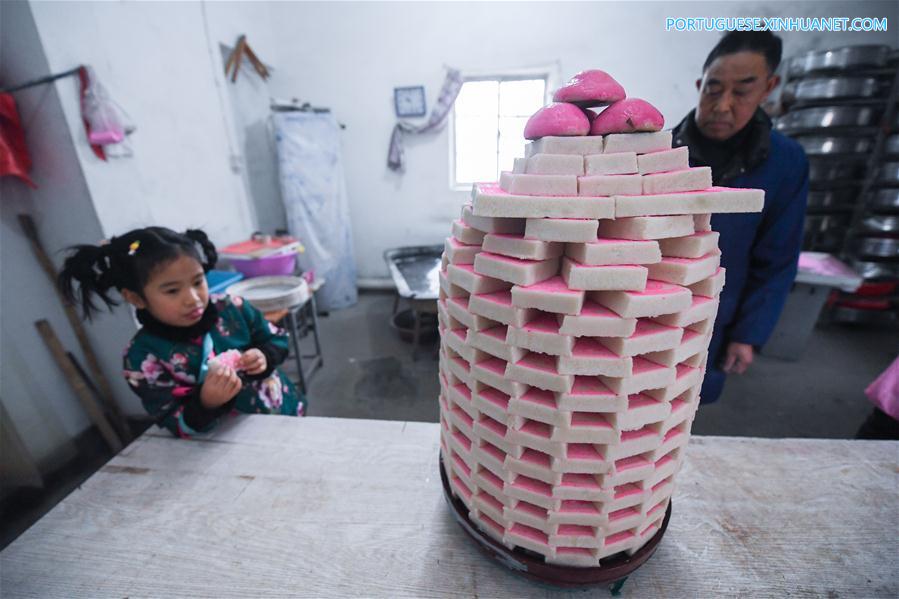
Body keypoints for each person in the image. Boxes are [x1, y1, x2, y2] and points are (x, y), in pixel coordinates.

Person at [58, 227, 306, 438]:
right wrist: (206, 402)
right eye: (172, 291)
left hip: (285, 413)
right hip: (227, 445)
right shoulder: (142, 358)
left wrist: (264, 355)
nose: (193, 299)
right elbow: (172, 419)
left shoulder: (232, 308)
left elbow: (277, 338)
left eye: (198, 282)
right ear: (135, 298)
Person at [671, 31, 808, 404]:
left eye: (742, 91)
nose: (722, 106)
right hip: (655, 308)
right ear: (700, 85)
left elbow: (778, 258)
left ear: (769, 88)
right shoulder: (661, 153)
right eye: (713, 90)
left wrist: (749, 333)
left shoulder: (785, 162)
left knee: (690, 405)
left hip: (720, 311)